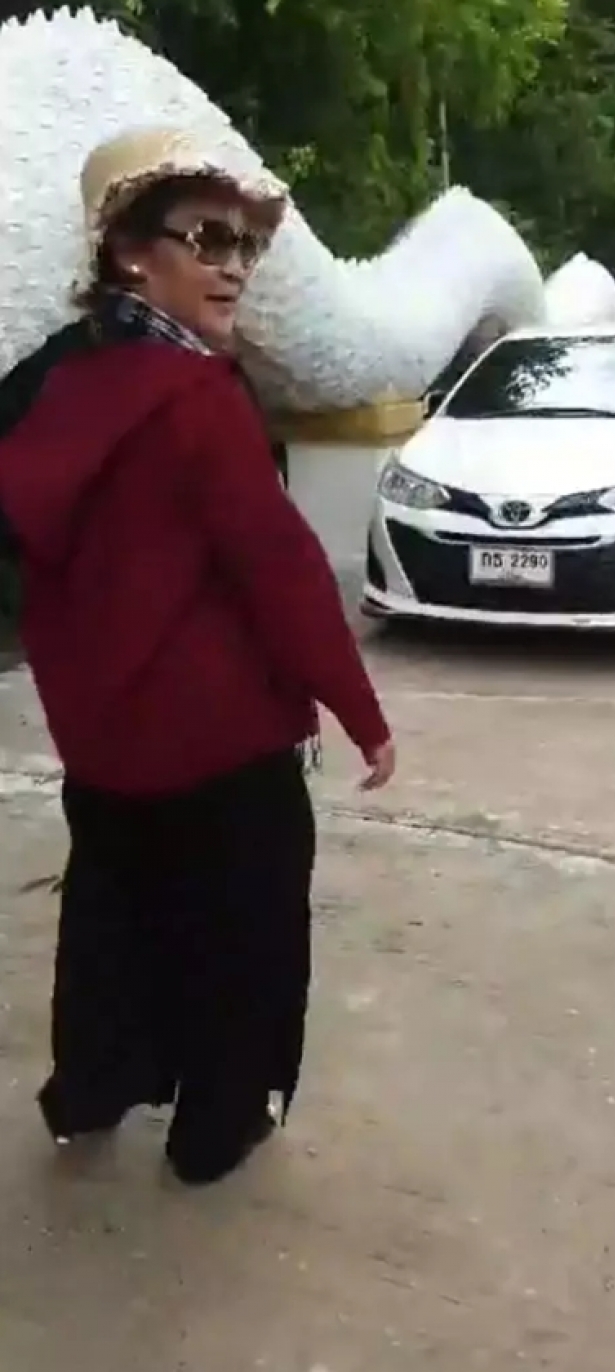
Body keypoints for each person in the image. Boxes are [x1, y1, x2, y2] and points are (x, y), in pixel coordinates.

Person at [0, 128, 395, 1186]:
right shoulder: (196, 398)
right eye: (206, 239)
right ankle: (213, 1132)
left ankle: (91, 1090)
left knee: (112, 918)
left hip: (103, 745)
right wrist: (359, 711)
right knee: (241, 939)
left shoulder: (53, 386)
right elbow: (280, 570)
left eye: (244, 244)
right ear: (133, 252)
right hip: (224, 746)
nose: (233, 265)